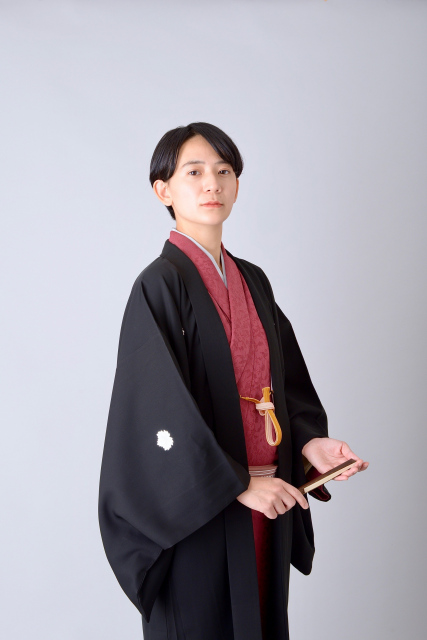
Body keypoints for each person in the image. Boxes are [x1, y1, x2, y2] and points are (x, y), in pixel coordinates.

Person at [98, 122, 369, 640]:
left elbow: (283, 382)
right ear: (163, 190)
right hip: (201, 510)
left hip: (267, 504)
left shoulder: (253, 280)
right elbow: (154, 413)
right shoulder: (158, 285)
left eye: (224, 171)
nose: (212, 184)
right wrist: (238, 483)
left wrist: (310, 442)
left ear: (237, 185)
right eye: (194, 172)